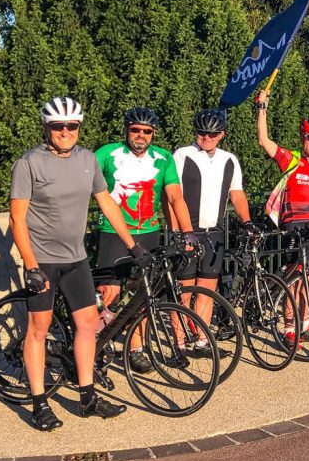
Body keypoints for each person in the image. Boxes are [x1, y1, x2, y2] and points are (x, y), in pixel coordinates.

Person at [10, 97, 139, 431]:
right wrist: (31, 265)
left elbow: (106, 202)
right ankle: (39, 403)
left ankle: (87, 398)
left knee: (87, 325)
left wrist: (133, 244)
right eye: (58, 126)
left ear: (79, 127)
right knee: (38, 329)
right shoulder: (29, 163)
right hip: (44, 262)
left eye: (71, 126)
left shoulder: (87, 159)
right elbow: (17, 219)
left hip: (76, 258)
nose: (65, 132)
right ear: (47, 127)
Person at [94, 106, 197, 373]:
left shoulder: (163, 158)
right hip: (114, 232)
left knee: (142, 294)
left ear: (153, 134)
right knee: (111, 293)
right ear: (126, 129)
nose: (140, 135)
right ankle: (96, 343)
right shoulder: (107, 154)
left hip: (149, 231)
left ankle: (136, 348)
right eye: (135, 130)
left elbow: (175, 197)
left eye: (147, 131)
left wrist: (187, 232)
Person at [254, 90, 309, 345]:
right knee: (294, 280)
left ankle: (305, 325)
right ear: (302, 137)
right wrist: (262, 109)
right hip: (293, 228)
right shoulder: (293, 159)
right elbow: (264, 140)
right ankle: (289, 329)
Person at [172, 108, 254, 349]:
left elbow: (237, 195)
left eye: (212, 133)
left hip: (215, 233)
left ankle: (201, 338)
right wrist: (178, 231)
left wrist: (247, 222)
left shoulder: (229, 159)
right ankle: (179, 343)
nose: (206, 137)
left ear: (221, 135)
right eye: (201, 132)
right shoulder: (182, 154)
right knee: (184, 291)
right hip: (188, 232)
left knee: (207, 289)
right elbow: (172, 197)